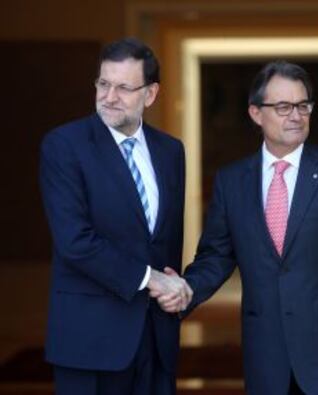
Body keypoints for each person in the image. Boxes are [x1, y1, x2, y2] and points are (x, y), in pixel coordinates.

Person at [157, 61, 318, 395]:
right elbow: (217, 256)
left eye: (303, 105)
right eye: (283, 107)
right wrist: (186, 288)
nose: (296, 115)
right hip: (266, 353)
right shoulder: (232, 181)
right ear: (255, 113)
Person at [39, 37, 192, 395]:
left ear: (150, 94)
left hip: (156, 341)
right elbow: (75, 242)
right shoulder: (64, 146)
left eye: (124, 88)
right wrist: (152, 279)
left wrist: (175, 291)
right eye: (103, 84)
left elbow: (166, 240)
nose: (109, 96)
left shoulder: (171, 151)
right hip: (90, 341)